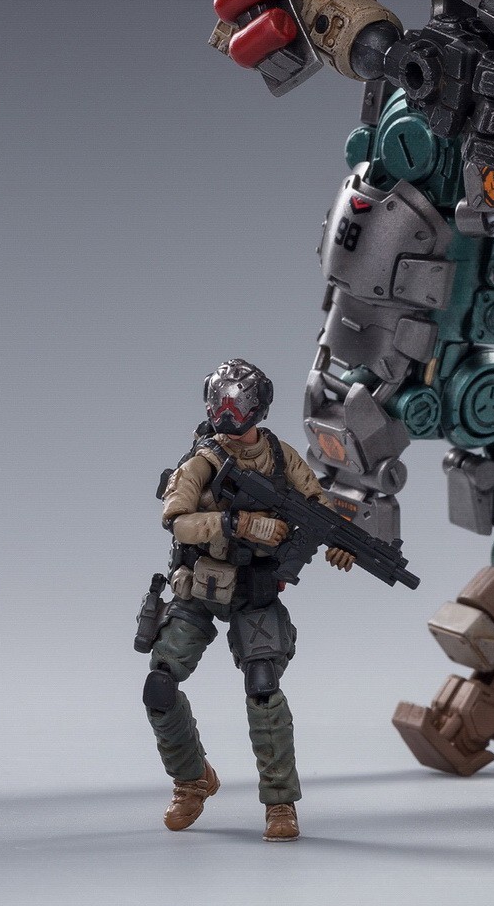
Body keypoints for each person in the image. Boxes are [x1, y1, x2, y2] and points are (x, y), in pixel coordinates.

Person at [142, 358, 353, 840]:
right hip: (199, 588)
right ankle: (192, 780)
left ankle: (280, 803)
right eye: (220, 402)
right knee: (160, 684)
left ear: (257, 407)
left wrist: (339, 542)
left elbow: (318, 507)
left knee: (262, 686)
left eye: (237, 404)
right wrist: (236, 523)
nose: (227, 412)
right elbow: (177, 521)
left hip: (254, 589)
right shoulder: (201, 461)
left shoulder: (281, 457)